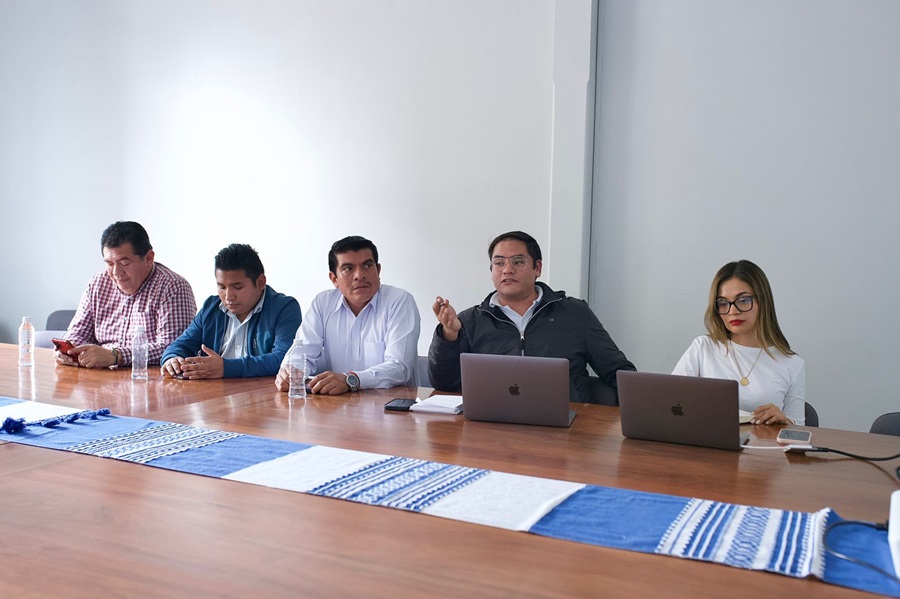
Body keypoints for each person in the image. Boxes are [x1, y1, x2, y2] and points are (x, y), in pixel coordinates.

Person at [428, 230, 635, 404]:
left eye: (518, 261)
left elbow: (618, 372)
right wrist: (449, 335)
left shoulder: (575, 313)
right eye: (499, 263)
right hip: (492, 424)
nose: (507, 270)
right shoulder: (471, 320)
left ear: (537, 268)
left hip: (566, 424)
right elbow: (444, 384)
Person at [274, 235, 420, 394]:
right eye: (348, 269)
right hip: (337, 403)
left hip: (391, 403)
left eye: (367, 266)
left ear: (378, 270)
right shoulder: (323, 304)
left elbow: (400, 368)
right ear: (334, 279)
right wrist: (290, 372)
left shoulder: (399, 301)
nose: (359, 275)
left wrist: (351, 380)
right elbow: (302, 352)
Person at [672, 260, 806, 425]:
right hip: (706, 439)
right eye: (723, 303)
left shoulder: (792, 363)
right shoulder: (703, 347)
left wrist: (785, 422)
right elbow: (672, 404)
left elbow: (798, 429)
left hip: (762, 442)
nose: (733, 311)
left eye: (743, 300)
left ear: (763, 302)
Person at [58, 221, 196, 369]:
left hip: (147, 377)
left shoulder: (173, 287)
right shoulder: (98, 283)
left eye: (124, 263)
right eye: (110, 264)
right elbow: (77, 333)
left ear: (148, 258)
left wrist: (115, 356)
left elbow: (173, 348)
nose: (116, 273)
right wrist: (67, 350)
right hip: (99, 375)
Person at [160, 244, 302, 379]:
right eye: (222, 287)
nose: (228, 296)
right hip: (213, 392)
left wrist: (226, 368)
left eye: (237, 287)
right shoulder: (211, 307)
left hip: (262, 393)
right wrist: (172, 358)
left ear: (260, 282)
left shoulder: (285, 308)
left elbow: (284, 359)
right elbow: (180, 345)